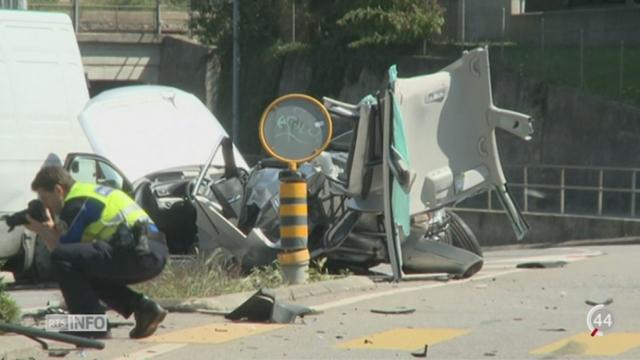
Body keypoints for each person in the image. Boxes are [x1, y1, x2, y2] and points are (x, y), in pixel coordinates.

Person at [24, 166, 168, 339]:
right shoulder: (91, 192)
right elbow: (76, 254)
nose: (45, 206)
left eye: (44, 198)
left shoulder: (76, 203)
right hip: (151, 251)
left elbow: (60, 252)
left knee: (64, 259)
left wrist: (41, 229)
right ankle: (144, 308)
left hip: (136, 251)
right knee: (84, 268)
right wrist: (49, 227)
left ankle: (90, 326)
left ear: (58, 190)